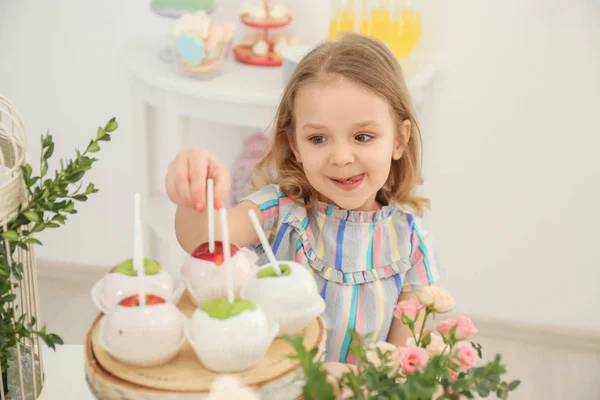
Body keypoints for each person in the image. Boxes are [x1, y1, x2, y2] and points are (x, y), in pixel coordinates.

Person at [165, 33, 442, 365]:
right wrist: (197, 189)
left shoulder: (410, 241)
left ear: (399, 139)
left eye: (363, 136)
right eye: (318, 138)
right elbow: (202, 239)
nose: (341, 156)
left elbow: (406, 362)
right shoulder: (280, 211)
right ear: (295, 145)